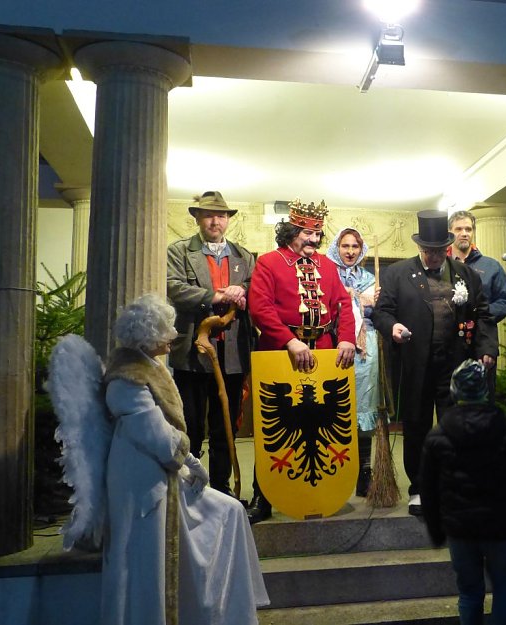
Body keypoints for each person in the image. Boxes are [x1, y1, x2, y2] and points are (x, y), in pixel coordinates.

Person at [101, 294, 269, 625]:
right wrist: (191, 462)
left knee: (230, 510)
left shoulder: (146, 366)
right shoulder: (127, 378)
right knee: (150, 563)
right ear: (149, 335)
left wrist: (187, 461)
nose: (174, 333)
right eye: (167, 328)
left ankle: (227, 612)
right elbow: (157, 436)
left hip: (161, 471)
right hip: (144, 481)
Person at [373, 210, 498, 516]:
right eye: (426, 251)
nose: (431, 256)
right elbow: (382, 312)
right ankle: (419, 488)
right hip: (415, 364)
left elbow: (482, 315)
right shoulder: (398, 274)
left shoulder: (466, 275)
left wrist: (487, 348)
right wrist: (393, 327)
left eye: (437, 251)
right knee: (416, 427)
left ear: (447, 248)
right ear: (420, 249)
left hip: (455, 364)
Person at [247, 199, 356, 523]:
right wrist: (289, 341)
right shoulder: (268, 262)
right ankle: (262, 496)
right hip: (280, 352)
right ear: (291, 232)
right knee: (273, 427)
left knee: (321, 427)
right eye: (308, 234)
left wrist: (347, 337)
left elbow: (343, 305)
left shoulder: (328, 266)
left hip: (322, 350)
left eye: (318, 235)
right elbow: (260, 308)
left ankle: (317, 492)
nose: (314, 241)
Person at [420, 359, 506, 625]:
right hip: (500, 529)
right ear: (485, 390)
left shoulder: (438, 436)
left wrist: (438, 530)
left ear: (454, 391)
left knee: (470, 593)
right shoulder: (505, 431)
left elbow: (428, 490)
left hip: (461, 531)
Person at [167, 190, 256, 496]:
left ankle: (221, 488)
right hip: (191, 353)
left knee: (225, 427)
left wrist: (241, 290)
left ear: (228, 220)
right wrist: (217, 296)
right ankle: (190, 488)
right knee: (190, 425)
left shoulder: (244, 256)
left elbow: (253, 287)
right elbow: (173, 287)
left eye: (221, 215)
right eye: (208, 215)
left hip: (231, 354)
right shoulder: (178, 251)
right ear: (197, 218)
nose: (215, 221)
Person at [326, 227, 379, 496]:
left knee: (364, 405)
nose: (350, 251)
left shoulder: (370, 278)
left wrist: (374, 302)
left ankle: (365, 471)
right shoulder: (326, 274)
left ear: (361, 250)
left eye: (355, 247)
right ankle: (335, 468)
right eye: (345, 246)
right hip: (336, 342)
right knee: (335, 405)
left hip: (366, 347)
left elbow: (379, 314)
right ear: (337, 248)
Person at [448, 210, 506, 401]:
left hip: (482, 342)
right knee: (449, 401)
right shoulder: (442, 266)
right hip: (450, 344)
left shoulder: (491, 266)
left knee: (483, 400)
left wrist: (479, 314)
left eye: (468, 229)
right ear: (450, 233)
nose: (464, 233)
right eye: (459, 229)